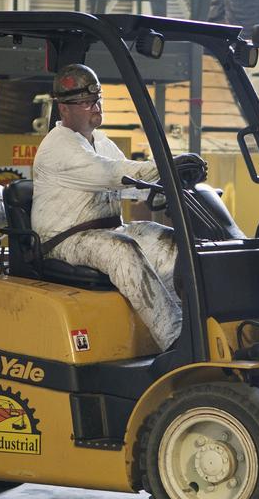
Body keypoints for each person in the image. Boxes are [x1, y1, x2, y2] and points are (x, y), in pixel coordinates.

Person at [31, 63, 205, 352]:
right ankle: (176, 342)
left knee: (169, 242)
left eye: (97, 99)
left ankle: (191, 324)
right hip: (65, 240)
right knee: (122, 249)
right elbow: (111, 174)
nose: (95, 107)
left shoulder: (100, 141)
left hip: (108, 229)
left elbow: (133, 185)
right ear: (64, 110)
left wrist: (169, 181)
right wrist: (164, 167)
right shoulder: (57, 147)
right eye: (87, 103)